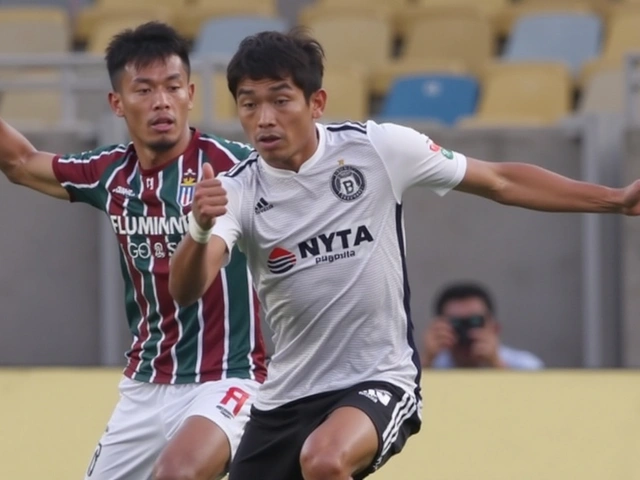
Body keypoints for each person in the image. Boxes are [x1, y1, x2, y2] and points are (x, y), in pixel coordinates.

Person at [168, 28, 640, 480]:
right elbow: (187, 289)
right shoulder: (235, 190)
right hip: (285, 397)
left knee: (326, 460)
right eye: (249, 105)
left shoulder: (377, 148)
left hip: (377, 379)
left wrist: (614, 199)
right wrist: (200, 230)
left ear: (317, 103)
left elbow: (500, 180)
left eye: (280, 100)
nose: (264, 118)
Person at [0, 22, 267, 480]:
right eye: (143, 90)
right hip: (146, 383)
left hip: (229, 376)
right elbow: (21, 163)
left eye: (172, 87)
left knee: (178, 474)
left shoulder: (237, 167)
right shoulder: (110, 174)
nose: (160, 101)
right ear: (116, 103)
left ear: (190, 94)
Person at [423, 282, 544, 369]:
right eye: (455, 323)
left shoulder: (525, 365)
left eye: (475, 322)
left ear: (495, 328)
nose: (465, 331)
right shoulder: (432, 366)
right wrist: (425, 362)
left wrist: (496, 365)